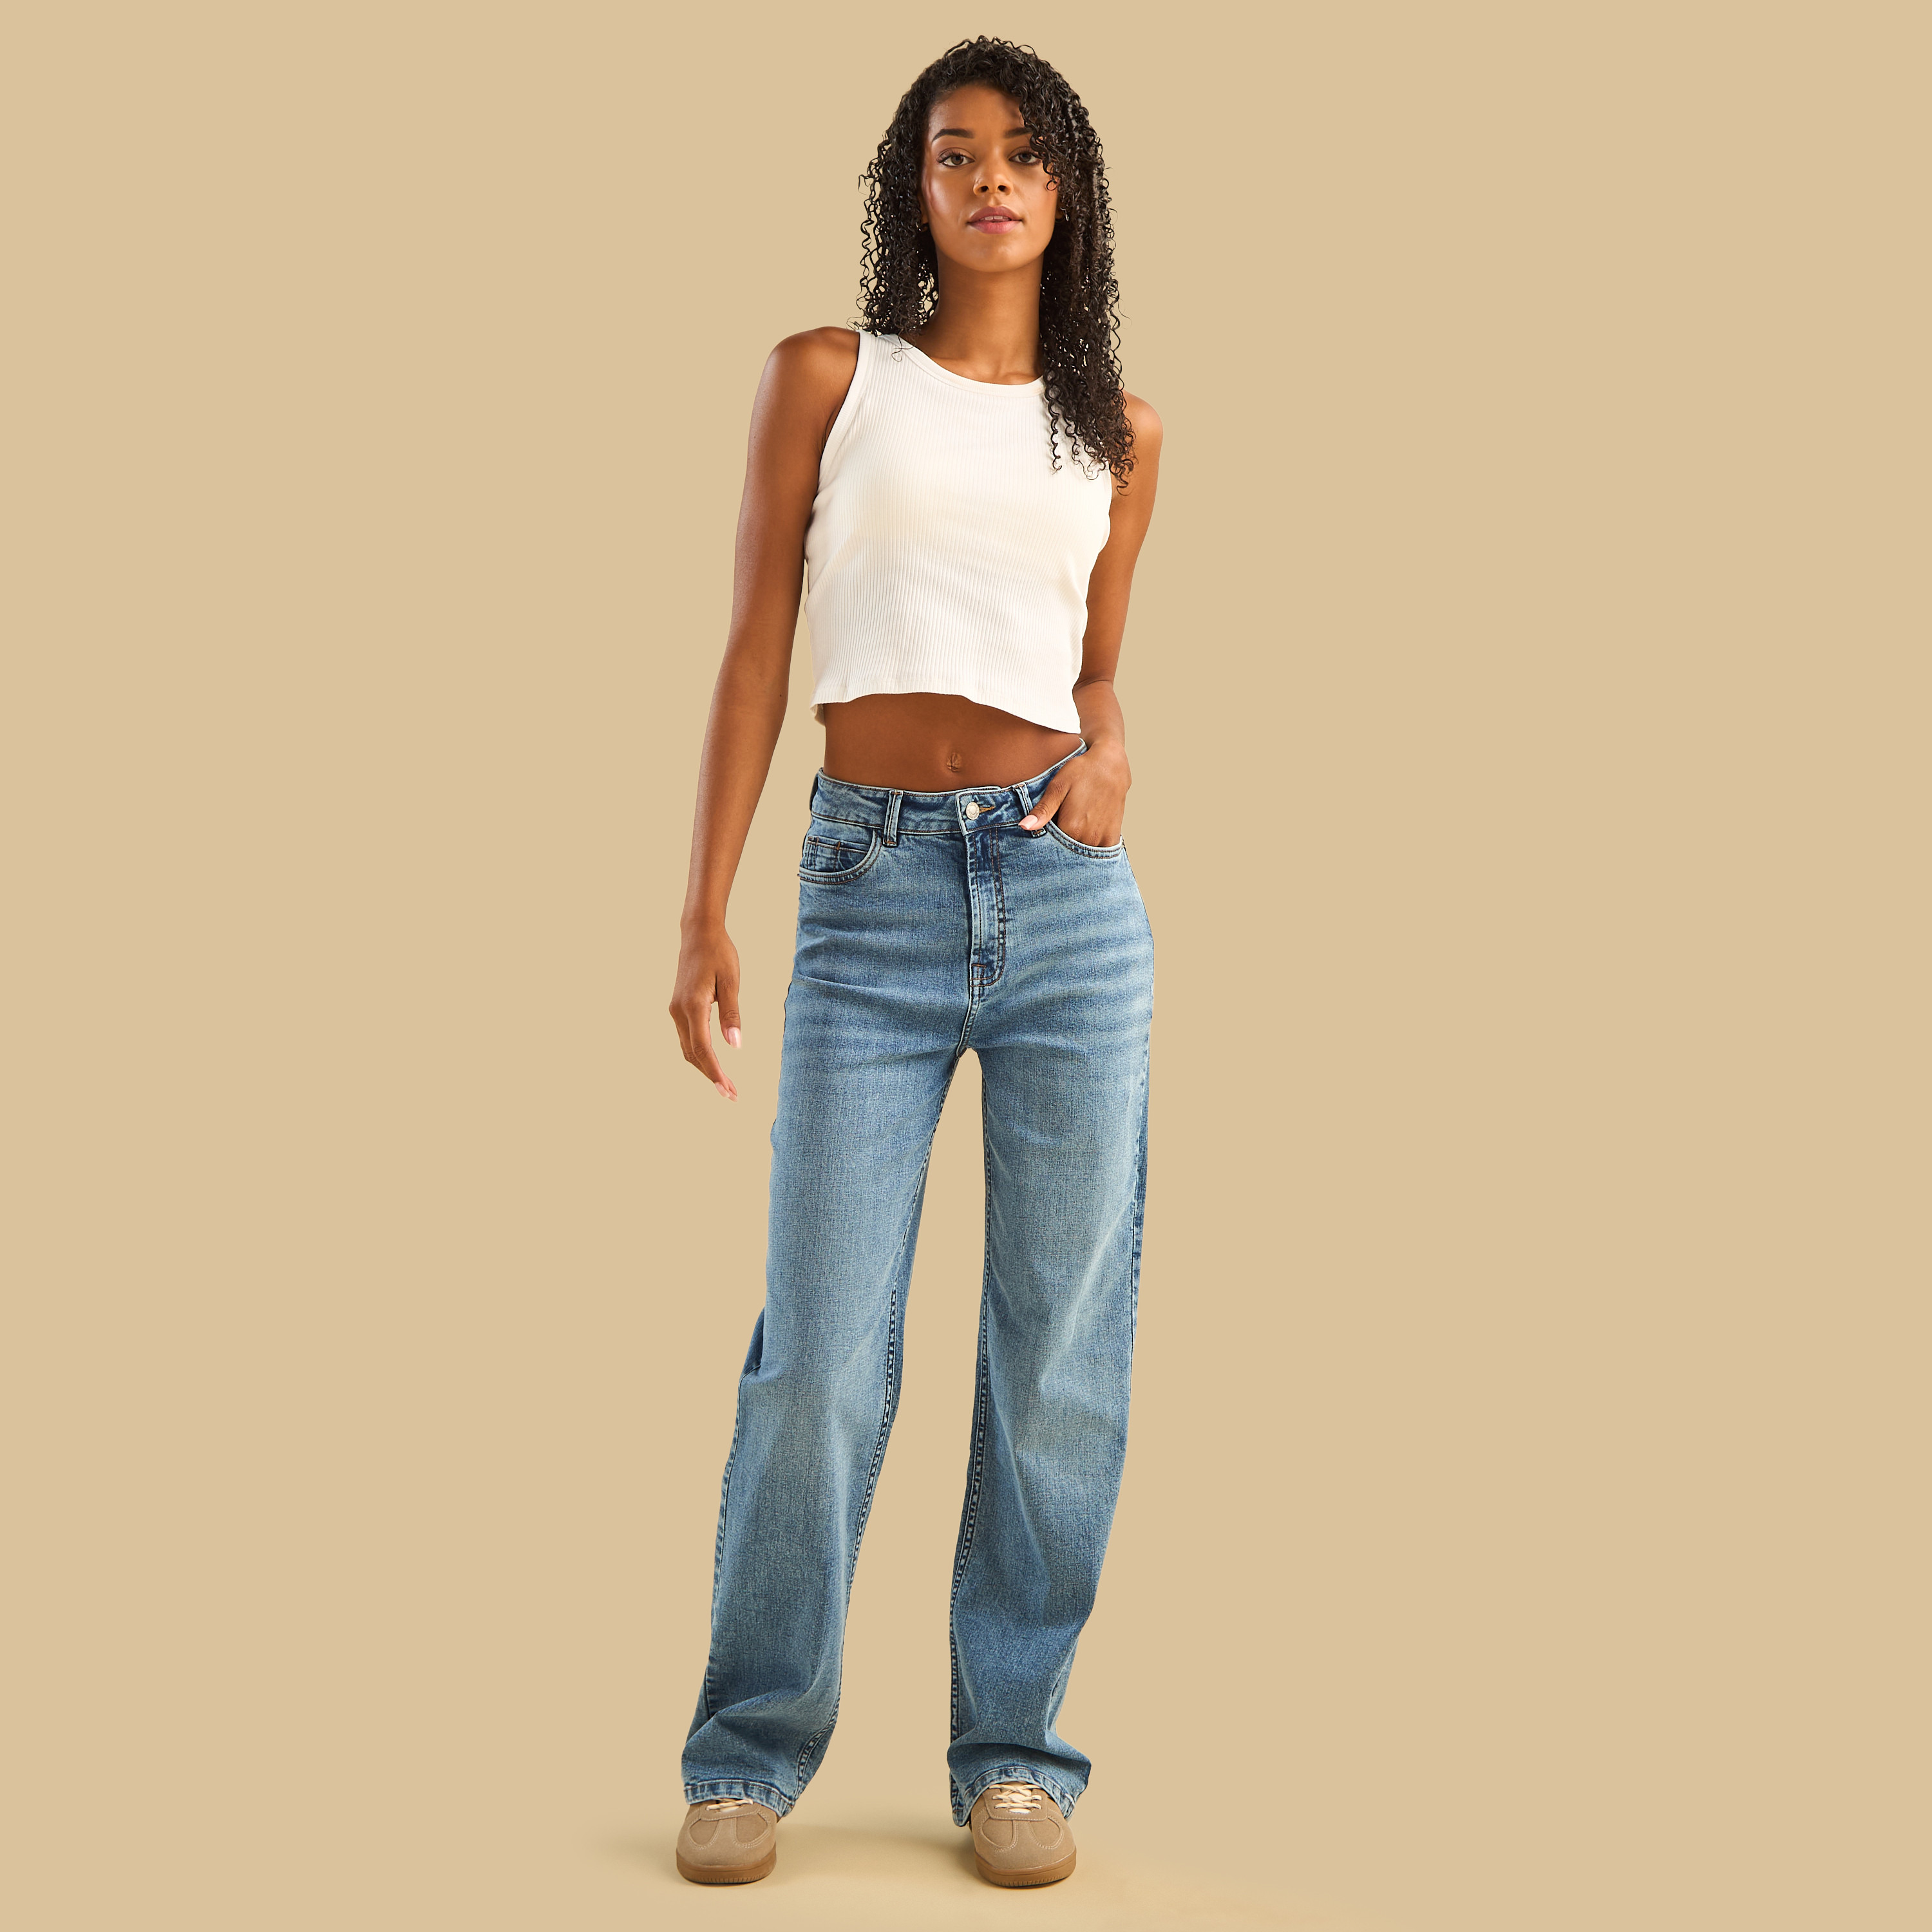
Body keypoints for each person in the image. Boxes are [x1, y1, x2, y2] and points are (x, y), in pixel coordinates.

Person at [667, 35, 1163, 1890]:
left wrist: (1111, 750)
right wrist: (703, 907)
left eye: (1025, 155)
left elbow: (1094, 664)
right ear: (915, 185)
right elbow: (754, 647)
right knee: (820, 1353)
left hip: (1066, 910)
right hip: (865, 894)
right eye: (957, 154)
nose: (991, 181)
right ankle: (748, 1750)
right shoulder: (831, 377)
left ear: (1067, 190)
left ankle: (1016, 1757)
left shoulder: (1121, 431)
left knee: (1059, 1357)